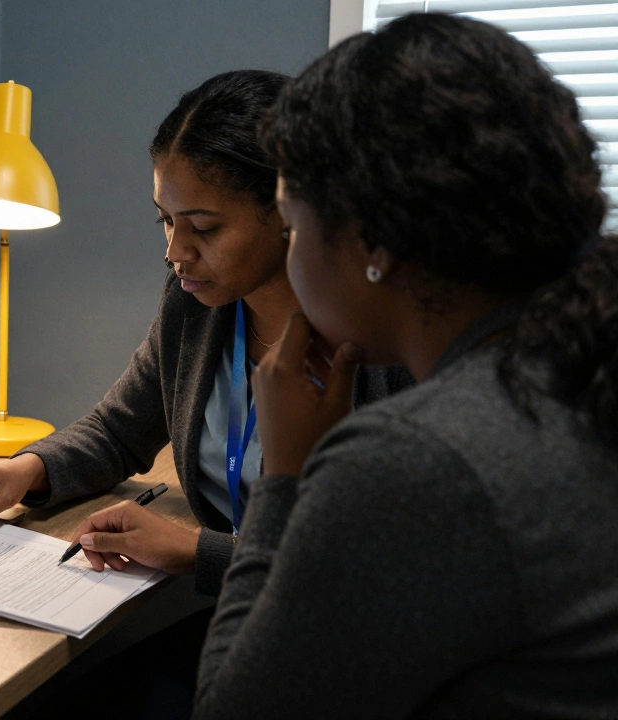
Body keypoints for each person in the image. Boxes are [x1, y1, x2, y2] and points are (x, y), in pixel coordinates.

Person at [192, 13, 618, 717]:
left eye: (293, 227)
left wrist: (286, 475)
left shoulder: (414, 461)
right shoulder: (575, 368)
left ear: (375, 243)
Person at [0, 70, 411, 717]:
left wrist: (197, 551)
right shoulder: (195, 305)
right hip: (245, 619)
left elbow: (377, 561)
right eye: (165, 221)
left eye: (203, 227)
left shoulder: (381, 346)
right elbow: (119, 428)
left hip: (347, 654)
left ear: (289, 214)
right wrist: (28, 468)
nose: (175, 252)